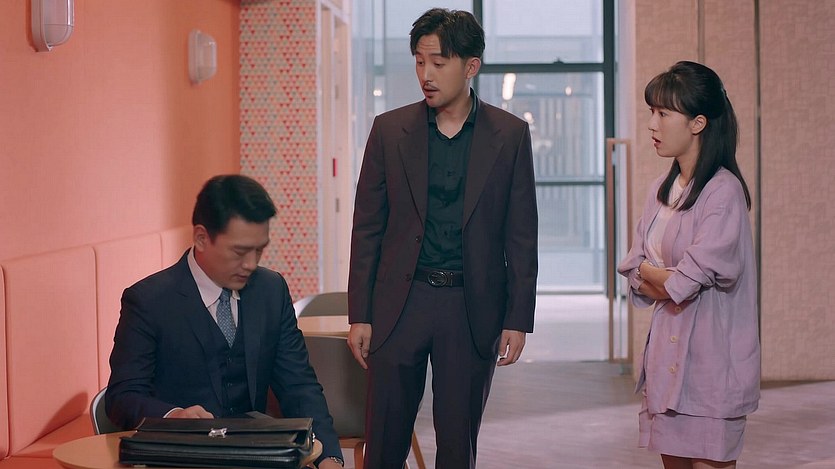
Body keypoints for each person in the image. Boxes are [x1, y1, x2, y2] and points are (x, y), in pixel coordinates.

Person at [346, 8, 538, 469]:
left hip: (469, 307)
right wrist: (361, 313)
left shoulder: (509, 135)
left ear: (471, 66)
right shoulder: (389, 131)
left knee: (457, 444)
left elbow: (521, 234)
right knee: (383, 441)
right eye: (419, 61)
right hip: (400, 303)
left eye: (438, 62)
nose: (425, 75)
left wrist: (518, 318)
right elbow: (367, 227)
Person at [106, 175, 344, 469]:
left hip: (257, 458)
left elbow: (299, 384)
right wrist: (173, 416)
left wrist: (329, 456)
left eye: (259, 250)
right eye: (240, 252)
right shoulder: (148, 301)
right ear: (201, 238)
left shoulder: (270, 290)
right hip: (183, 460)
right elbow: (122, 397)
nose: (251, 264)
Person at [618, 61, 760, 469]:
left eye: (663, 113)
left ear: (698, 123)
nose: (652, 124)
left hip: (712, 367)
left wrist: (656, 274)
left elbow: (684, 282)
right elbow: (633, 268)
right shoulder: (661, 190)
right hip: (667, 365)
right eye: (652, 112)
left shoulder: (723, 192)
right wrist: (657, 275)